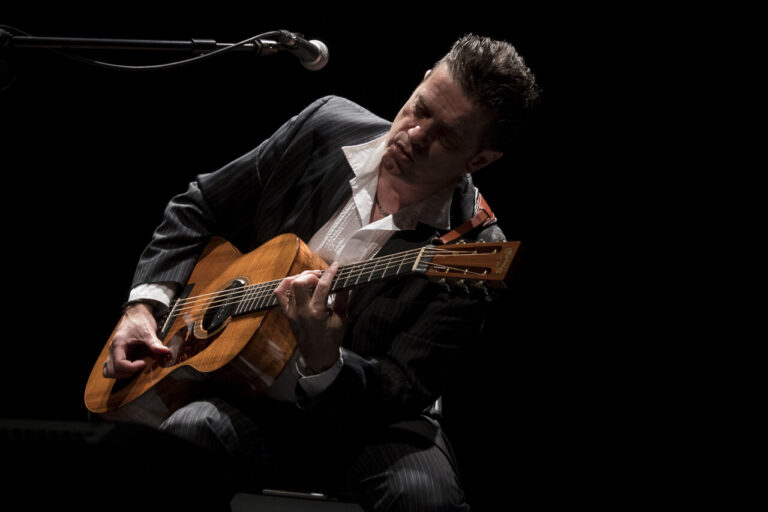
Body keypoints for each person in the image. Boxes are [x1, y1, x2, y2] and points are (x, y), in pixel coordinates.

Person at [102, 34, 540, 511]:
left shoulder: (475, 250)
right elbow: (200, 207)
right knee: (182, 442)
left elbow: (405, 386)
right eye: (420, 108)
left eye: (445, 136)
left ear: (480, 160)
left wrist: (327, 362)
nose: (414, 135)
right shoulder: (325, 126)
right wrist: (144, 306)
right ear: (418, 84)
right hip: (247, 394)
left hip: (375, 427)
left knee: (424, 501)